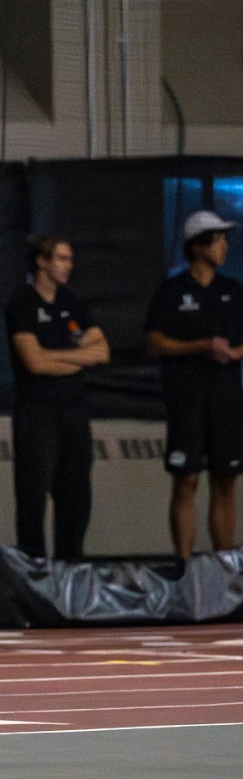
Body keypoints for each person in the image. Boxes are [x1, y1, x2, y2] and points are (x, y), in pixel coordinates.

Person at [144, 210, 243, 559]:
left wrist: (234, 352)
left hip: (227, 400)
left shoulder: (233, 290)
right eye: (217, 240)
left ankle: (225, 565)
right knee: (187, 480)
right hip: (187, 400)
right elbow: (154, 342)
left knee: (226, 480)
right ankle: (184, 565)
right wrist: (200, 346)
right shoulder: (171, 291)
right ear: (198, 246)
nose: (224, 246)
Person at [4, 235, 109, 560]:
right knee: (33, 495)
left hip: (75, 411)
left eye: (70, 259)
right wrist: (77, 357)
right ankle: (32, 571)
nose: (68, 265)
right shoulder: (22, 303)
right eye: (61, 258)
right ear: (42, 261)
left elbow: (102, 352)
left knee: (76, 495)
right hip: (37, 413)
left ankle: (72, 569)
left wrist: (55, 358)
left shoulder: (72, 303)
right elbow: (34, 363)